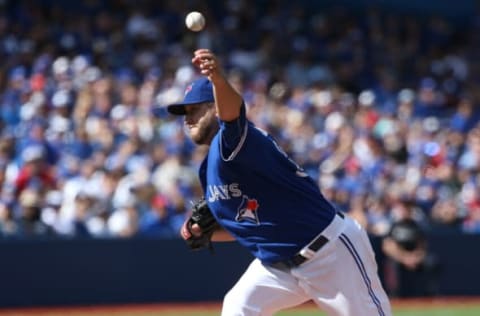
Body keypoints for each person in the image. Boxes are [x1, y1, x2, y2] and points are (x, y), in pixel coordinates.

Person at [165, 49, 392, 316]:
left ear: (215, 109)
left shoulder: (237, 141)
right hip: (278, 267)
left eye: (196, 110)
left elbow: (233, 111)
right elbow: (245, 226)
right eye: (185, 113)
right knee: (238, 306)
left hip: (329, 253)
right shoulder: (210, 168)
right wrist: (205, 233)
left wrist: (217, 78)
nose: (188, 118)